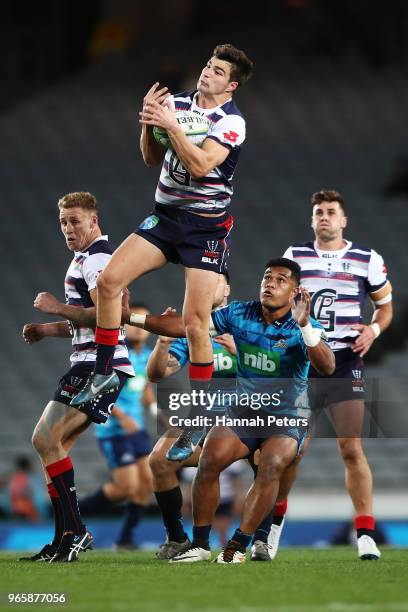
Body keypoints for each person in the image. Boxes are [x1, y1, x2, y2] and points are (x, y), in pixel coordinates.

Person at [71, 44, 253, 463]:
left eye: (218, 70)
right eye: (207, 64)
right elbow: (152, 158)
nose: (207, 72)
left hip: (205, 227)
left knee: (195, 323)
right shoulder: (180, 104)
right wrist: (149, 123)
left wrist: (169, 125)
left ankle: (199, 417)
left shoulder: (232, 122)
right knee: (109, 281)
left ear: (232, 84)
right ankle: (103, 376)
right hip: (166, 216)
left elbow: (203, 166)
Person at [128, 258, 335, 563]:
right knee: (210, 459)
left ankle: (240, 545)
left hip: (287, 415)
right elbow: (188, 325)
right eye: (267, 277)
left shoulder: (303, 325)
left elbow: (328, 366)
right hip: (242, 410)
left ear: (294, 291)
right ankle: (198, 543)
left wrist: (304, 325)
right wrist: (127, 317)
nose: (270, 284)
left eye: (280, 280)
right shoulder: (239, 313)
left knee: (272, 464)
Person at [21, 192, 134, 563]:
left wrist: (57, 306)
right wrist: (48, 328)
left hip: (101, 366)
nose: (69, 228)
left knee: (44, 438)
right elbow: (86, 320)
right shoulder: (85, 258)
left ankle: (74, 532)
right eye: (63, 223)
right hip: (87, 361)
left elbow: (110, 313)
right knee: (53, 447)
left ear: (94, 221)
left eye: (75, 221)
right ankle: (64, 537)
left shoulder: (99, 257)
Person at [282, 189, 393, 561]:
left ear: (344, 219)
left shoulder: (367, 259)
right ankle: (272, 528)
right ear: (311, 220)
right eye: (319, 213)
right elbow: (276, 303)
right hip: (303, 360)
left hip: (344, 362)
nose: (325, 217)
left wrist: (373, 331)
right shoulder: (294, 256)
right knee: (291, 451)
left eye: (331, 212)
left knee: (351, 447)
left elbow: (385, 308)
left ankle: (365, 534)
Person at [146, 272, 287, 561]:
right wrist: (161, 344)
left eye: (215, 281)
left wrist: (245, 353)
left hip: (250, 413)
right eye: (203, 282)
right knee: (159, 460)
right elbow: (159, 373)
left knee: (266, 463)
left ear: (227, 289)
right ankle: (177, 538)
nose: (208, 286)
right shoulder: (193, 328)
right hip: (205, 415)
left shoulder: (249, 321)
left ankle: (261, 540)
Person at [80, 303, 155, 549]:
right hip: (113, 428)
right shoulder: (115, 353)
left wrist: (154, 408)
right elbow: (101, 390)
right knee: (126, 487)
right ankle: (72, 513)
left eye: (144, 323)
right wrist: (122, 417)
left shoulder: (146, 355)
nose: (139, 329)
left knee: (147, 484)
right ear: (124, 325)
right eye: (134, 322)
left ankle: (125, 539)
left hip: (137, 428)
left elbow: (142, 386)